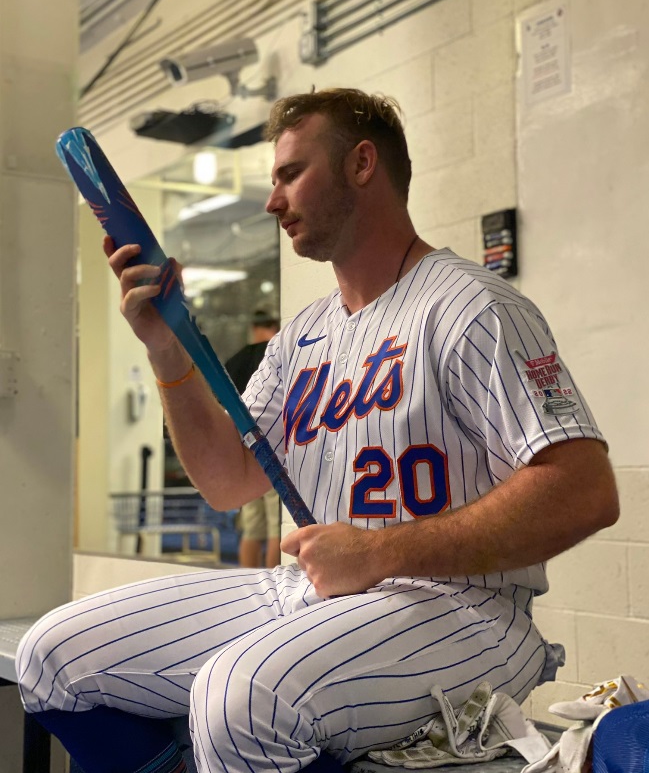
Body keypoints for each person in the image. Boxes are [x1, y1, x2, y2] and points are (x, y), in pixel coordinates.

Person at [16, 88, 619, 773]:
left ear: (362, 164)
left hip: (465, 607)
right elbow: (224, 482)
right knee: (52, 654)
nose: (273, 201)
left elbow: (583, 490)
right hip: (310, 588)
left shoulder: (471, 306)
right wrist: (164, 347)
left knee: (240, 696)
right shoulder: (301, 335)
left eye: (290, 174)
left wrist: (378, 552)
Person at [225, 310, 282, 567]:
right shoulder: (275, 353)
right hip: (272, 448)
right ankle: (272, 591)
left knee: (251, 528)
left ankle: (246, 585)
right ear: (273, 325)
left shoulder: (236, 360)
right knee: (275, 527)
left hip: (241, 453)